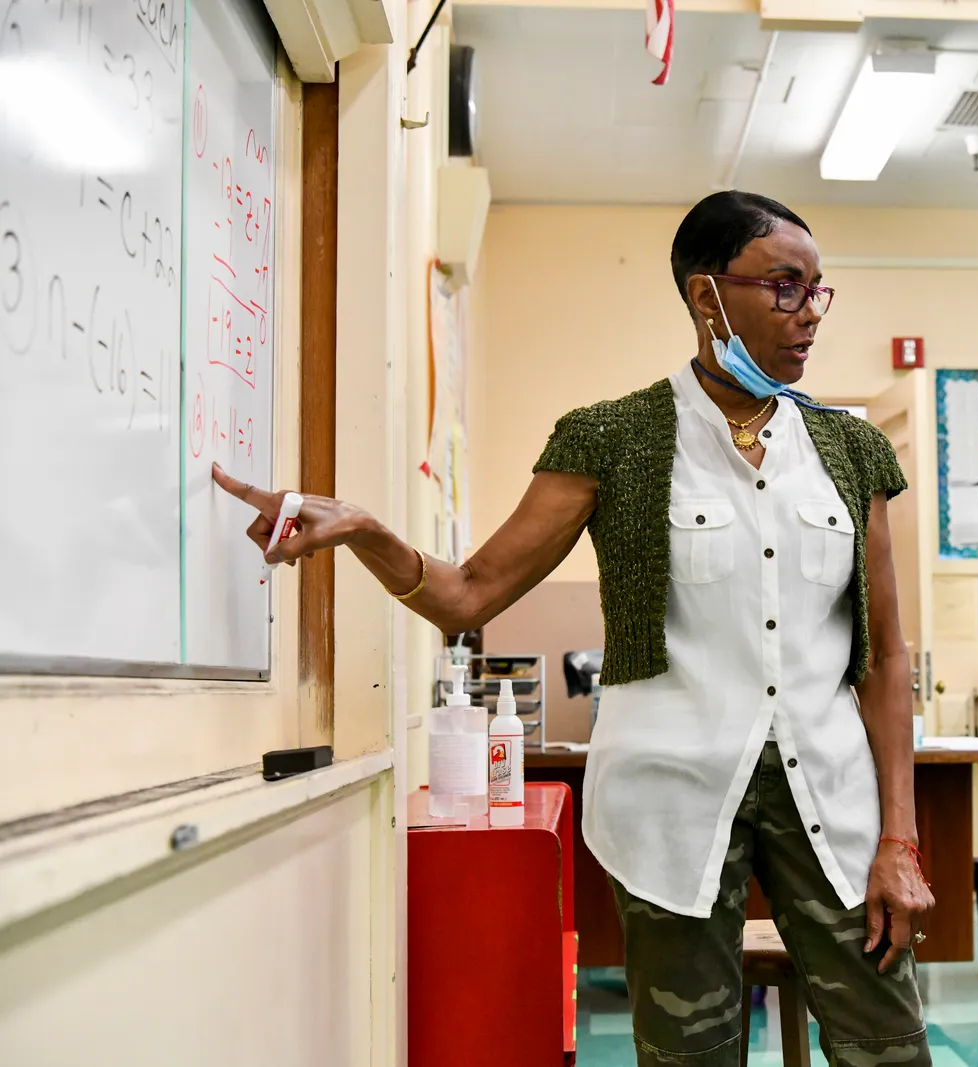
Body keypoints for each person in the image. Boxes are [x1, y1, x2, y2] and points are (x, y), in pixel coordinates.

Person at [215, 190, 936, 1067]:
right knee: (690, 1056)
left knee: (890, 1045)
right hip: (671, 801)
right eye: (785, 287)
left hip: (834, 797)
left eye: (818, 290)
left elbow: (885, 656)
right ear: (707, 297)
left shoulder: (850, 450)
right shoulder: (613, 438)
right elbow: (469, 591)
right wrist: (367, 528)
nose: (808, 314)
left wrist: (898, 837)